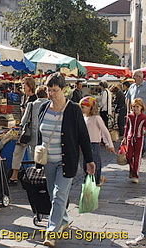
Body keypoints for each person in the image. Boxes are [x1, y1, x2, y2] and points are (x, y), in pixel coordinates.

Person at [37, 72, 95, 247]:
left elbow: (83, 137)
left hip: (66, 161)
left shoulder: (73, 110)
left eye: (54, 90)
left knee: (58, 195)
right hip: (48, 161)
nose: (51, 94)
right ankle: (63, 220)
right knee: (51, 194)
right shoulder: (43, 108)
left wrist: (89, 160)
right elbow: (39, 134)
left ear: (63, 89)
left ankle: (51, 231)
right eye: (48, 90)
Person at [9, 86, 48, 185]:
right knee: (41, 157)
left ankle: (18, 176)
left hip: (30, 135)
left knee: (25, 155)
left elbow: (24, 120)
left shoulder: (31, 104)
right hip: (45, 136)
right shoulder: (50, 104)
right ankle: (43, 176)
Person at [79, 96, 115, 186]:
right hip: (85, 145)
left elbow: (105, 131)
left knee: (95, 164)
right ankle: (88, 181)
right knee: (85, 165)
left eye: (83, 107)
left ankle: (96, 182)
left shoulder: (96, 118)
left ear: (90, 107)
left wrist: (109, 144)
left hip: (94, 144)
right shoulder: (83, 117)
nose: (81, 109)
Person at [122, 98, 146, 184]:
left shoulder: (144, 117)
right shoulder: (130, 116)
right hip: (130, 138)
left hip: (139, 139)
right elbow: (127, 127)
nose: (135, 109)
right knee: (128, 156)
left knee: (137, 157)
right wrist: (124, 137)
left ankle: (135, 175)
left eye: (137, 107)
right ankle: (132, 170)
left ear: (141, 107)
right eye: (134, 107)